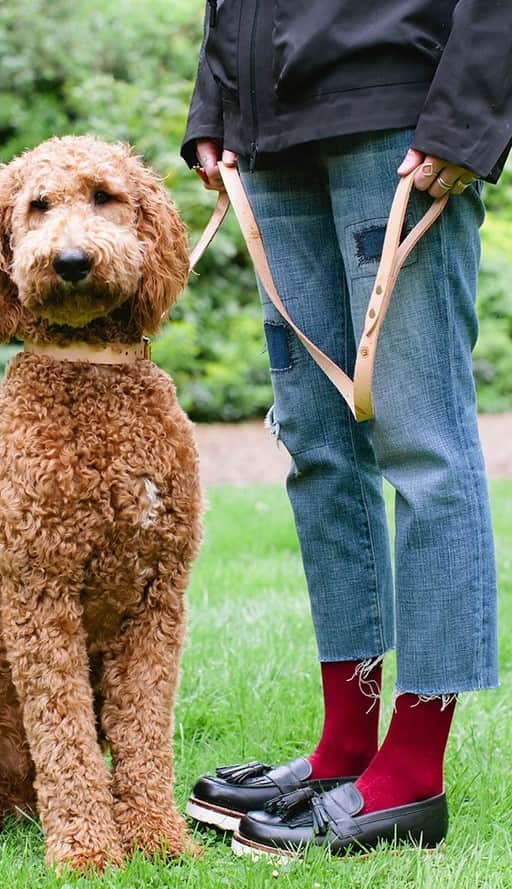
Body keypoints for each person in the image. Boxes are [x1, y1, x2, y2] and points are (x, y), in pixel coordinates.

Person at [181, 0, 510, 857]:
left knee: (421, 447)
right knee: (317, 447)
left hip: (397, 111)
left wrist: (470, 111)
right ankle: (345, 747)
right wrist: (215, 100)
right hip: (268, 128)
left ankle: (412, 772)